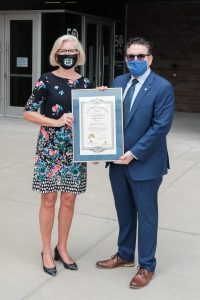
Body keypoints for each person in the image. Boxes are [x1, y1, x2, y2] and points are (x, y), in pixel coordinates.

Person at [96, 37, 174, 288]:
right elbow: (109, 118)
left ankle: (147, 265)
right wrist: (98, 101)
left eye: (141, 56)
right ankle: (125, 254)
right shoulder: (119, 82)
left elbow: (160, 127)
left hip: (145, 163)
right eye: (131, 56)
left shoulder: (162, 87)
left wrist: (134, 152)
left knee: (147, 215)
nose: (135, 61)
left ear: (150, 59)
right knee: (124, 211)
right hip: (117, 162)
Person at [23, 34, 93, 276]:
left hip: (75, 149)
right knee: (48, 199)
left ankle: (61, 247)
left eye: (72, 51)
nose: (67, 55)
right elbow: (28, 112)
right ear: (56, 54)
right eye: (63, 52)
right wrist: (55, 121)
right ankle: (45, 249)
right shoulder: (46, 80)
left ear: (79, 55)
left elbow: (93, 115)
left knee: (70, 199)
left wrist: (104, 98)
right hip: (49, 148)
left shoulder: (85, 83)